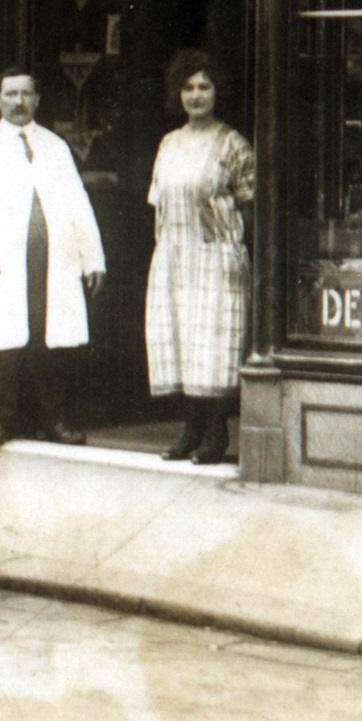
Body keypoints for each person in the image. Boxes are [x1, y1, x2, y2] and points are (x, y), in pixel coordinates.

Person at [0, 67, 105, 449]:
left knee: (49, 340)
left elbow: (78, 205)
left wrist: (92, 258)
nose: (18, 102)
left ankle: (54, 419)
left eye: (26, 94)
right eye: (11, 94)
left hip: (52, 261)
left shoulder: (55, 147)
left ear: (37, 100)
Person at [144, 49, 254, 465]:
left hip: (215, 259)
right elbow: (159, 204)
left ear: (217, 91)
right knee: (183, 340)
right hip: (176, 256)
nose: (195, 95)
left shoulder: (233, 144)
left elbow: (250, 205)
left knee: (211, 345)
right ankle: (190, 430)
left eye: (203, 86)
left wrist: (231, 249)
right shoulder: (169, 143)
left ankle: (216, 433)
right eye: (188, 87)